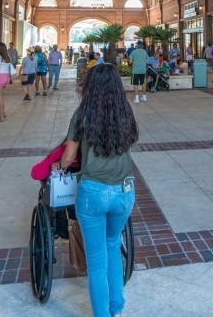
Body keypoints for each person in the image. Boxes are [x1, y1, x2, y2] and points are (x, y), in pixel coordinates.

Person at [59, 64, 139, 317]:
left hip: (93, 191)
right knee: (113, 244)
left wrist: (61, 163)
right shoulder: (125, 112)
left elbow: (68, 156)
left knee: (96, 261)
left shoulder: (82, 114)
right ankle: (116, 308)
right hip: (124, 191)